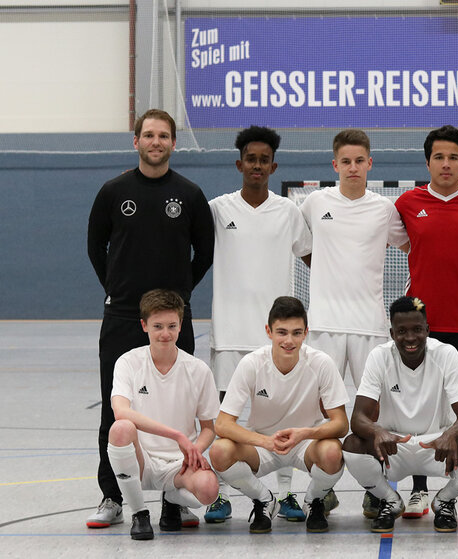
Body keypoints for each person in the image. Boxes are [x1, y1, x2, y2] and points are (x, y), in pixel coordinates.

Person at [86, 109, 214, 529]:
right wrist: (117, 288)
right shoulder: (113, 191)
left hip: (174, 320)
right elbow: (95, 246)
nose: (155, 142)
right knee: (115, 412)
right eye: (148, 135)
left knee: (178, 410)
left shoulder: (189, 194)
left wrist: (178, 299)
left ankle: (174, 499)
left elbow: (205, 253)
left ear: (174, 143)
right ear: (136, 141)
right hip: (123, 317)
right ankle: (113, 495)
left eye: (163, 136)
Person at [205, 125, 310, 523]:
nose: (257, 165)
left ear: (273, 166)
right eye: (251, 159)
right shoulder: (218, 210)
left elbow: (315, 259)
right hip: (230, 334)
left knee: (283, 417)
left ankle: (285, 494)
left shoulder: (289, 212)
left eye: (264, 160)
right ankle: (220, 494)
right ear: (239, 164)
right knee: (225, 420)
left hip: (277, 337)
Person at [394, 125, 458, 517]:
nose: (446, 163)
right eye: (439, 157)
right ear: (428, 162)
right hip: (422, 327)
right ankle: (419, 489)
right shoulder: (407, 203)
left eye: (453, 157)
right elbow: (410, 247)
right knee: (420, 410)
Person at [342, 296, 458, 533]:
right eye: (402, 331)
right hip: (393, 446)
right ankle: (389, 501)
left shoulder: (446, 354)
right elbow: (358, 417)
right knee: (352, 446)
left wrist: (450, 434)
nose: (410, 338)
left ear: (427, 330)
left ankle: (444, 501)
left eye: (417, 330)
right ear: (392, 333)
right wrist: (378, 431)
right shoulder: (379, 356)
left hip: (437, 446)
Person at [209, 296, 349, 533]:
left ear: (306, 333)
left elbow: (341, 424)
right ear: (269, 331)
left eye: (296, 333)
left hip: (306, 444)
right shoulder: (252, 363)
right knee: (219, 451)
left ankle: (313, 500)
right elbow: (222, 424)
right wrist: (265, 441)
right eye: (282, 332)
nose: (289, 340)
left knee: (333, 452)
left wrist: (305, 433)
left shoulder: (321, 363)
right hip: (262, 445)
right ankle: (264, 500)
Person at [106, 290, 219, 540]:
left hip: (180, 462)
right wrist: (177, 435)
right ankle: (139, 513)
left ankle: (172, 499)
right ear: (144, 325)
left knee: (209, 490)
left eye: (172, 326)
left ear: (181, 325)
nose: (165, 333)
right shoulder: (128, 362)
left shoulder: (198, 370)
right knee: (121, 429)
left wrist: (195, 450)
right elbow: (120, 411)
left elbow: (209, 428)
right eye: (157, 326)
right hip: (141, 459)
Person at [299, 129, 408, 389]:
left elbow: (411, 247)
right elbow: (298, 241)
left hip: (369, 323)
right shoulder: (315, 202)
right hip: (324, 323)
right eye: (346, 162)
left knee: (375, 400)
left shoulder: (384, 208)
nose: (353, 168)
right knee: (321, 400)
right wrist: (321, 264)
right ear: (335, 165)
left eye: (359, 161)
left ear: (369, 163)